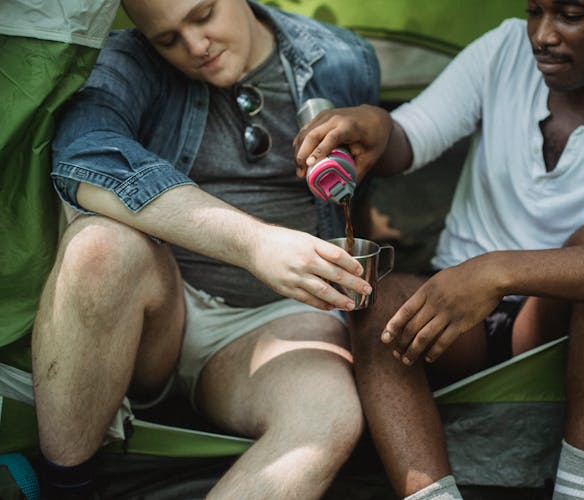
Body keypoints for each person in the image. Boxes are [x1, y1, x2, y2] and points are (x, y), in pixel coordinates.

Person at [294, 0, 584, 499]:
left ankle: (577, 494)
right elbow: (412, 139)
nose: (542, 34)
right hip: (453, 318)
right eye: (535, 11)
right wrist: (377, 125)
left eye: (571, 15)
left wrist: (497, 273)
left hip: (553, 330)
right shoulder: (504, 50)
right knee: (377, 300)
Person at [31, 0, 380, 498]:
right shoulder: (128, 61)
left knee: (328, 413)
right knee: (100, 245)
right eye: (168, 39)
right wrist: (256, 244)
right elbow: (82, 154)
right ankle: (64, 487)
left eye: (203, 16)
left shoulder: (342, 59)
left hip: (278, 320)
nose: (196, 47)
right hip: (162, 312)